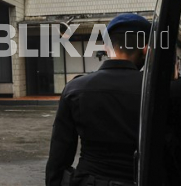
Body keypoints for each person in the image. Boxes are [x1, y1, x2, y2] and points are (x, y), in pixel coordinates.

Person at [45, 13, 152, 186]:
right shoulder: (156, 91)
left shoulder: (75, 89)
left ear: (107, 47)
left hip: (88, 180)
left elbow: (59, 155)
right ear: (146, 49)